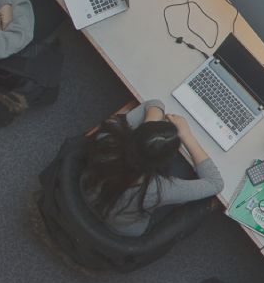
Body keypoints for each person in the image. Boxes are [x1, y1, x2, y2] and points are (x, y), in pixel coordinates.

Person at [80, 101, 224, 236]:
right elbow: (215, 183)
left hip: (86, 191)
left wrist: (149, 134)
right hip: (122, 227)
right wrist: (187, 136)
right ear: (164, 162)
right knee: (186, 172)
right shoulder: (158, 189)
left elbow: (154, 103)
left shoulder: (109, 137)